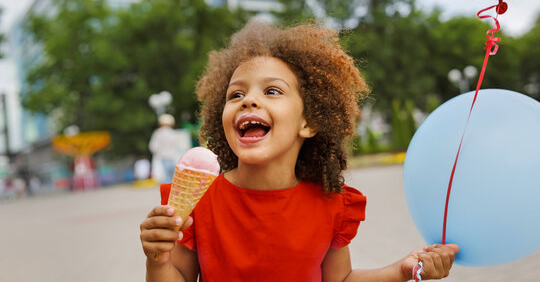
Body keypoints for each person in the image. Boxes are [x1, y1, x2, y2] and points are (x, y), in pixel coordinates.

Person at [140, 22, 459, 281]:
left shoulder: (330, 206)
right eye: (235, 94)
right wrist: (158, 260)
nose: (248, 101)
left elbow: (341, 280)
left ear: (308, 121)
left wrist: (401, 270)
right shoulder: (197, 203)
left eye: (272, 91)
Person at [149, 114, 183, 183]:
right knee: (173, 179)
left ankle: (166, 193)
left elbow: (153, 147)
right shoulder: (174, 133)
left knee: (165, 179)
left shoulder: (158, 133)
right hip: (173, 158)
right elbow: (178, 147)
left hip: (162, 159)